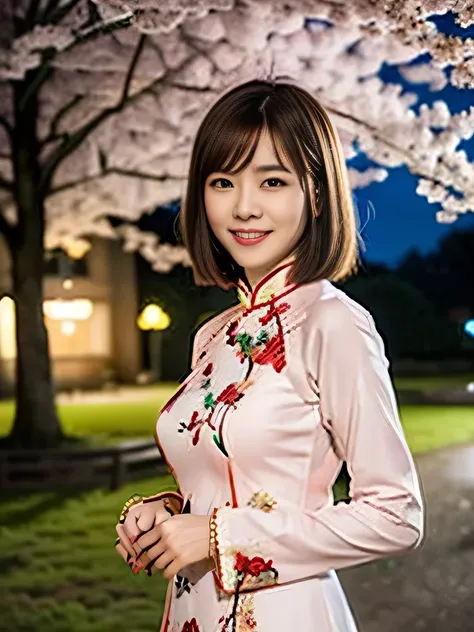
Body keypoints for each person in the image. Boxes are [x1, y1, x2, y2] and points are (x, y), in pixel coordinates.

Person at [114, 79, 425, 632]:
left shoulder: (333, 322)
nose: (244, 207)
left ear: (317, 193)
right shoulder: (213, 335)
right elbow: (224, 479)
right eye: (222, 181)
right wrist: (168, 518)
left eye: (273, 180)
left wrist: (223, 538)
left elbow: (396, 515)